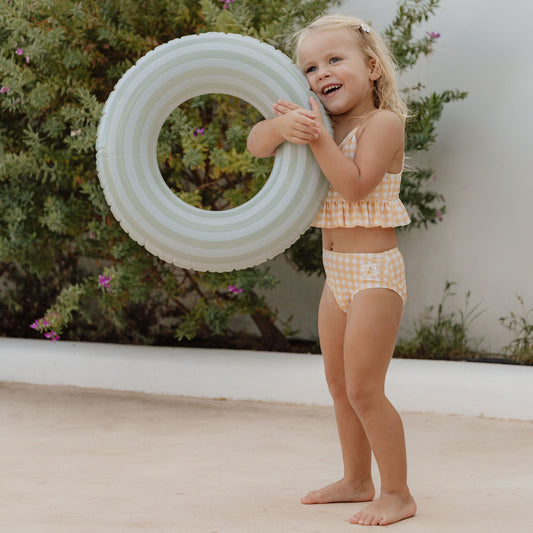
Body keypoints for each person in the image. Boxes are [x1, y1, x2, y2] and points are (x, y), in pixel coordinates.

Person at [247, 13, 417, 527]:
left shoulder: (382, 124)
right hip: (335, 272)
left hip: (374, 275)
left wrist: (316, 137)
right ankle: (355, 479)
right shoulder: (316, 123)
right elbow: (257, 144)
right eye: (310, 67)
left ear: (371, 68)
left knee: (366, 388)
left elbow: (356, 185)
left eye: (334, 60)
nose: (321, 73)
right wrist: (279, 127)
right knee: (339, 385)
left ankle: (398, 493)